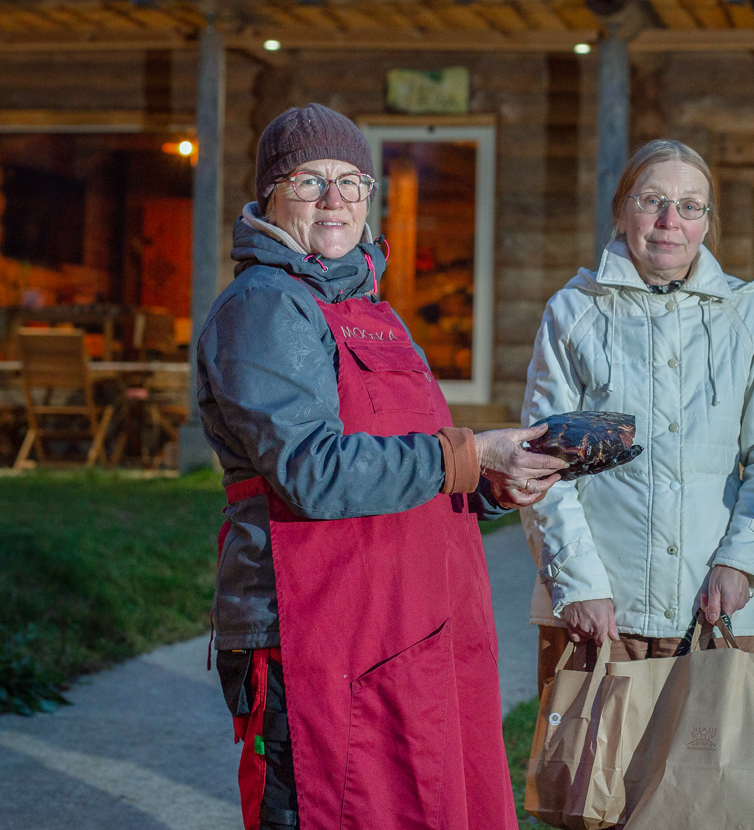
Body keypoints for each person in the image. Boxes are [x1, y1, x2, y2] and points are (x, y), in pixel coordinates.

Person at [198, 103, 566, 830]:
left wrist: (491, 481)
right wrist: (466, 453)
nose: (335, 200)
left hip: (400, 626)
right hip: (309, 631)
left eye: (351, 180)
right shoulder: (264, 307)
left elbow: (410, 456)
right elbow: (311, 469)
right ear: (271, 193)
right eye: (309, 182)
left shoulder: (373, 309)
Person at [521, 139, 754, 686]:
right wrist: (578, 585)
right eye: (652, 201)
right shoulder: (575, 312)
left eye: (690, 206)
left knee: (708, 773)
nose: (670, 221)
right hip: (600, 616)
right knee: (589, 772)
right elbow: (542, 463)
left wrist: (742, 562)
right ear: (623, 210)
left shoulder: (744, 315)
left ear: (706, 221)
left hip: (714, 607)